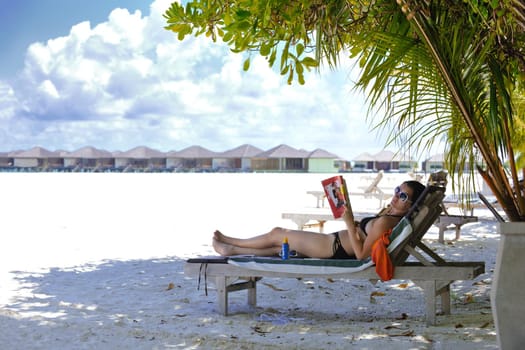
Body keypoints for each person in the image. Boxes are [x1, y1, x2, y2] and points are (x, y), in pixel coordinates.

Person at [212, 181, 426, 260]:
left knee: (277, 233)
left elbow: (362, 256)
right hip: (333, 243)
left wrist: (348, 223)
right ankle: (231, 250)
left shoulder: (385, 223)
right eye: (398, 190)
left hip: (332, 247)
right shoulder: (391, 217)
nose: (396, 196)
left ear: (411, 205)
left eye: (403, 196)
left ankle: (232, 241)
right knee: (279, 247)